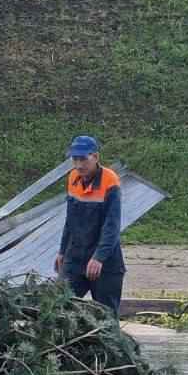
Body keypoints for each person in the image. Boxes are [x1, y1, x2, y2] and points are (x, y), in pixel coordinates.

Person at [53, 134, 125, 315]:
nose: (78, 165)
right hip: (75, 256)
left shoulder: (110, 181)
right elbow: (70, 220)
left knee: (106, 316)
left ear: (95, 157)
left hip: (105, 261)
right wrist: (62, 251)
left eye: (83, 159)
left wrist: (99, 257)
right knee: (59, 308)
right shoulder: (72, 178)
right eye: (74, 159)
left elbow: (112, 225)